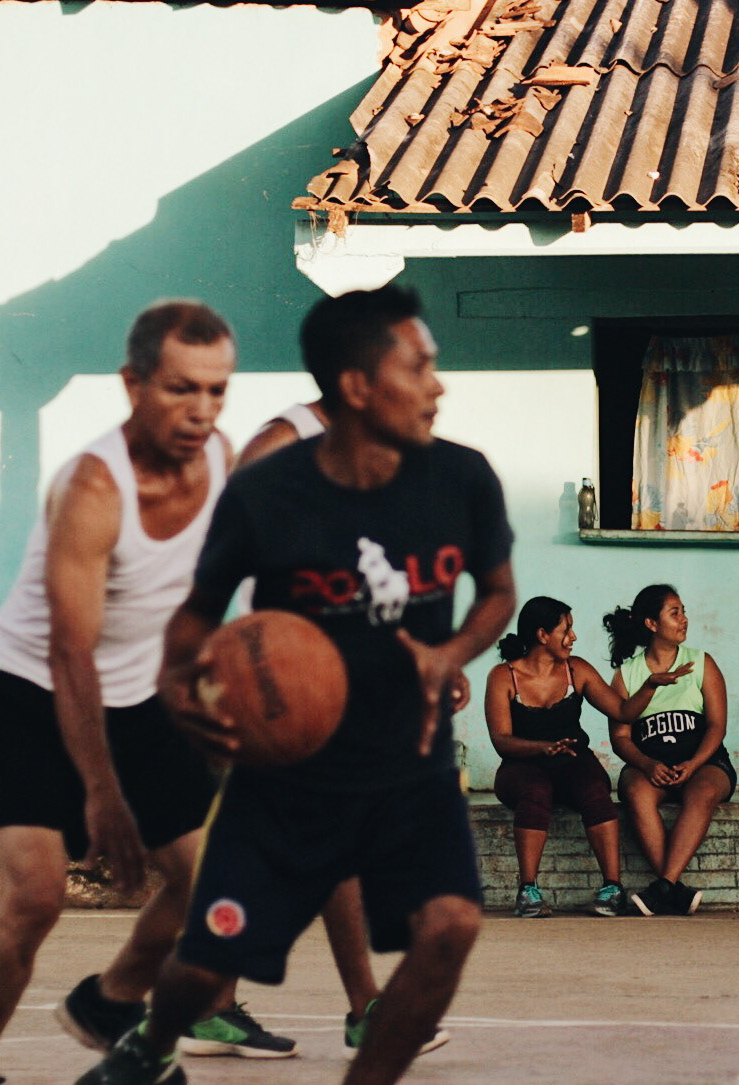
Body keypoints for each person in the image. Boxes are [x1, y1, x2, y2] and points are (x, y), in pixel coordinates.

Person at [75, 283, 517, 1085]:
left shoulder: (462, 477)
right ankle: (149, 1041)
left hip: (409, 765)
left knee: (451, 925)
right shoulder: (268, 490)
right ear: (357, 386)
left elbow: (497, 594)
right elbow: (194, 618)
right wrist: (181, 691)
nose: (439, 386)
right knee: (206, 965)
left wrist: (450, 651)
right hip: (289, 775)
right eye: (419, 367)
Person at [0, 302, 239, 1085]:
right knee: (36, 898)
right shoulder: (93, 488)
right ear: (133, 385)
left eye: (216, 389)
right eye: (181, 388)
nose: (202, 410)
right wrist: (103, 791)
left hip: (139, 693)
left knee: (212, 886)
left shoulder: (221, 461)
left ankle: (110, 1000)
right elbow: (69, 650)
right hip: (30, 691)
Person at [216, 397, 448, 1060]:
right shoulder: (285, 440)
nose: (432, 391)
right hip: (283, 676)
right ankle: (363, 1008)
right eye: (414, 370)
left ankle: (209, 1004)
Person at [487, 595, 663, 918]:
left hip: (572, 760)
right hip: (520, 766)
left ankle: (613, 889)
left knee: (595, 788)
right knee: (536, 790)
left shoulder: (576, 670)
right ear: (542, 635)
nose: (573, 637)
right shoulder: (503, 676)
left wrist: (650, 686)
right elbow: (501, 740)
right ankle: (527, 891)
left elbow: (623, 710)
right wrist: (541, 748)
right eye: (566, 629)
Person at [602, 585, 735, 916]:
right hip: (651, 766)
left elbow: (717, 726)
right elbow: (620, 737)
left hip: (704, 763)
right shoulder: (627, 674)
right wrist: (647, 764)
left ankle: (663, 887)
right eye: (675, 613)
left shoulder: (701, 663)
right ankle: (673, 889)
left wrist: (694, 763)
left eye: (683, 612)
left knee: (703, 792)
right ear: (651, 623)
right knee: (634, 791)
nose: (684, 619)